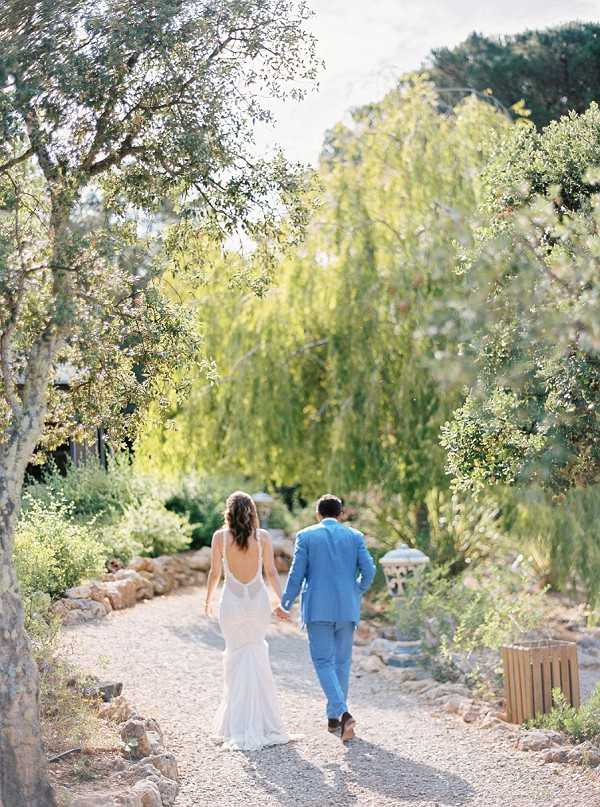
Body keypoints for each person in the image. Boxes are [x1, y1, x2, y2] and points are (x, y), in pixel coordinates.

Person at [275, 494, 376, 742]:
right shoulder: (355, 536)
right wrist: (357, 590)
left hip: (318, 608)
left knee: (323, 662)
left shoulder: (306, 536)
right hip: (347, 607)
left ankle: (342, 714)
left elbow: (296, 574)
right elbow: (370, 570)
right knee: (341, 663)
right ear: (341, 514)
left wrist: (285, 603)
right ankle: (334, 719)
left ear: (317, 514)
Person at [205, 490, 290, 751]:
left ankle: (236, 724)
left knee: (234, 656)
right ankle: (263, 722)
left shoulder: (220, 537)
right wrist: (283, 602)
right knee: (256, 653)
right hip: (257, 602)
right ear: (252, 512)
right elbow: (272, 572)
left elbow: (215, 572)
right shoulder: (262, 537)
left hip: (231, 602)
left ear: (228, 512)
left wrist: (206, 600)